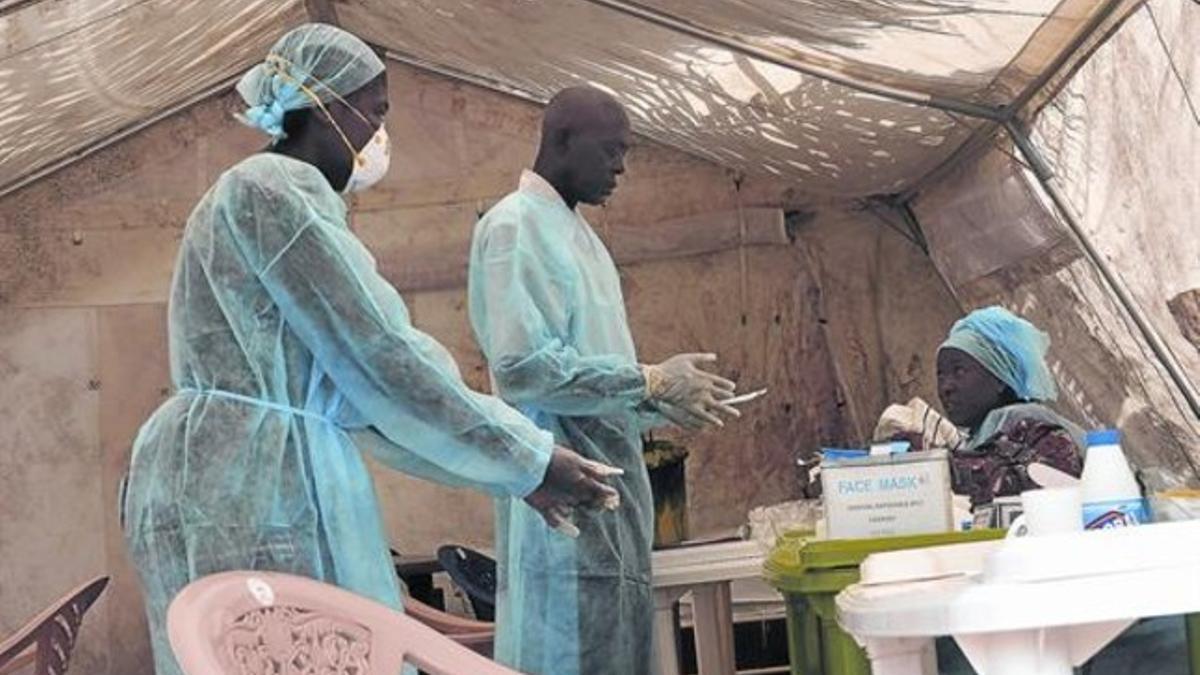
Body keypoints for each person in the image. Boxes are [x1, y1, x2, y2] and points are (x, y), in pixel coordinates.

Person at [121, 25, 619, 675]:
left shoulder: (272, 197)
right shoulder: (277, 192)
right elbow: (385, 356)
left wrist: (514, 470)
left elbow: (364, 400)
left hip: (232, 467)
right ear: (326, 106)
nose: (379, 135)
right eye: (376, 111)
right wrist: (528, 456)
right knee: (289, 648)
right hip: (246, 481)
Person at [467, 86, 740, 675]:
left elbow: (590, 378)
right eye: (611, 150)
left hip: (610, 511)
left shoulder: (578, 236)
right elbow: (523, 370)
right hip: (561, 515)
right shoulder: (516, 227)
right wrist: (647, 381)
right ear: (563, 140)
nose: (621, 167)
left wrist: (660, 402)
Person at [934, 306, 1085, 505]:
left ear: (1000, 378)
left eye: (959, 371)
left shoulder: (1030, 425)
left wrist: (932, 467)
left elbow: (1014, 485)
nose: (946, 386)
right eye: (940, 374)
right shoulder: (977, 436)